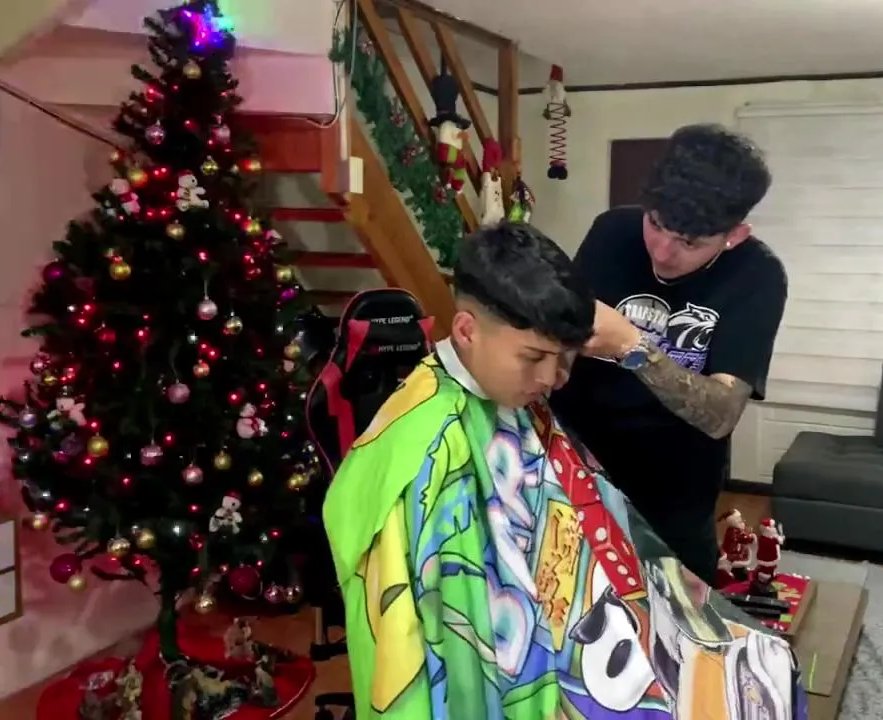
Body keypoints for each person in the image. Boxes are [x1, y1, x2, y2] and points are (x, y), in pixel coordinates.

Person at [322, 222, 801, 719]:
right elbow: (451, 649)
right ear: (465, 331)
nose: (552, 379)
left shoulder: (512, 399)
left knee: (761, 667)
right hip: (525, 667)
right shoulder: (423, 453)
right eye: (534, 357)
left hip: (584, 620)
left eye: (562, 358)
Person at [551, 123, 788, 583]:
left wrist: (633, 347)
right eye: (656, 224)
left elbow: (721, 414)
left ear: (734, 235)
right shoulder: (611, 231)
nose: (662, 251)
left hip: (674, 490)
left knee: (678, 611)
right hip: (577, 465)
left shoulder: (758, 276)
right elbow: (566, 335)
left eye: (689, 242)